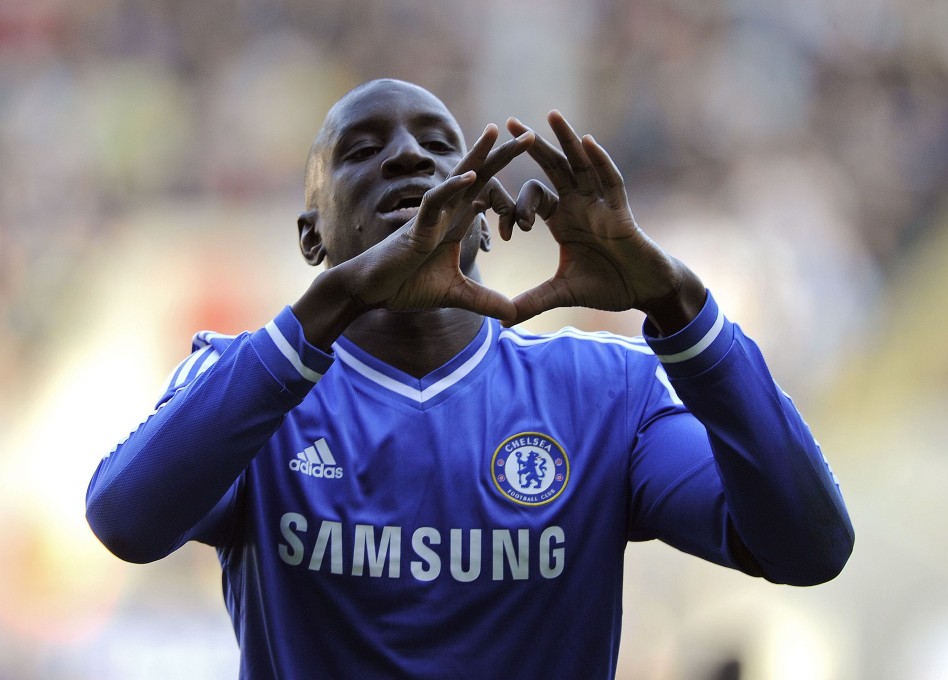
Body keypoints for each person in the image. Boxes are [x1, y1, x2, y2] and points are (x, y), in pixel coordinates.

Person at [85, 78, 854, 679]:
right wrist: (339, 301)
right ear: (311, 236)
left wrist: (677, 302)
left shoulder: (608, 392)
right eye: (361, 149)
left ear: (486, 213)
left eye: (437, 145)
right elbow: (126, 520)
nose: (410, 158)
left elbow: (807, 548)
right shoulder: (247, 384)